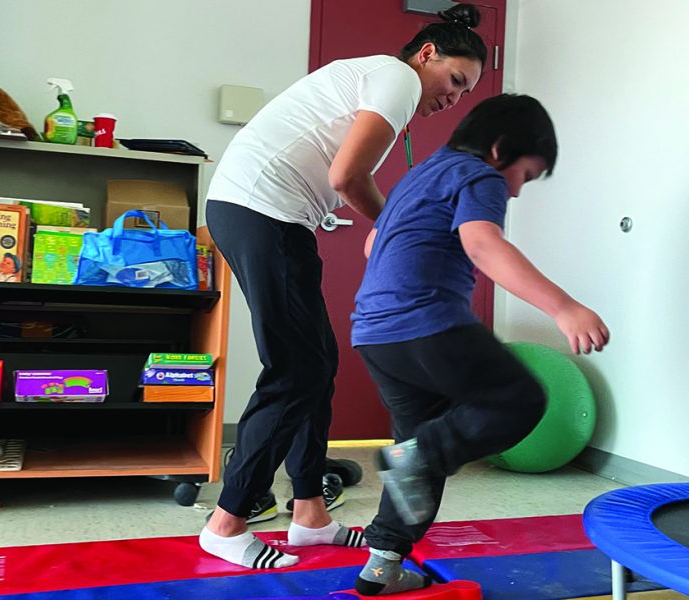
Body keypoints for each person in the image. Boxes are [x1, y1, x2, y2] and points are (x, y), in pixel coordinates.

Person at [200, 4, 488, 569]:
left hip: (272, 214)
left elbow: (338, 175)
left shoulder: (378, 78)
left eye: (466, 92)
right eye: (455, 80)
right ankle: (226, 522)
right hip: (262, 209)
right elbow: (347, 176)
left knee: (319, 362)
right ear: (427, 54)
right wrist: (390, 233)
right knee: (296, 370)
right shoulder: (398, 76)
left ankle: (309, 514)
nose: (454, 98)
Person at [349, 93, 610, 595]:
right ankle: (418, 456)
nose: (515, 192)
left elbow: (370, 244)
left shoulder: (420, 176)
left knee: (418, 446)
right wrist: (564, 308)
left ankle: (381, 566)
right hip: (426, 322)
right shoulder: (481, 175)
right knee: (520, 398)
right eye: (526, 176)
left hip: (375, 335)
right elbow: (482, 243)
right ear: (500, 149)